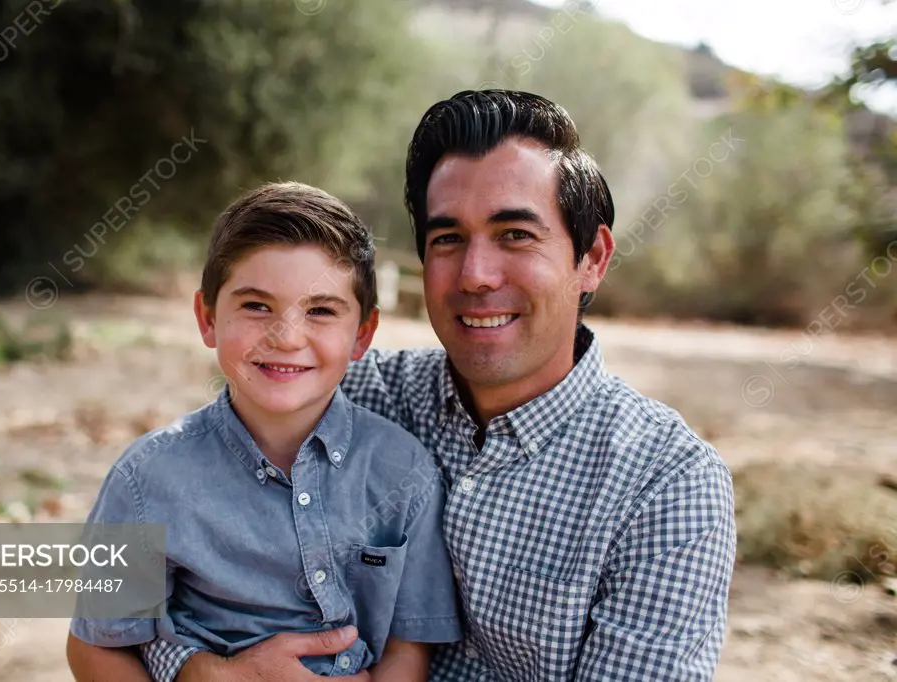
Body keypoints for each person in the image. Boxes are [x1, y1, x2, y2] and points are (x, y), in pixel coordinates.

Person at [147, 88, 738, 681]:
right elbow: (94, 599)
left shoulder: (667, 483)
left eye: (515, 235)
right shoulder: (344, 395)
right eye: (447, 239)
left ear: (593, 258)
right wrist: (200, 671)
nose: (476, 276)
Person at [65, 181, 462, 681]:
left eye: (320, 311)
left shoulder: (405, 471)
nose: (287, 337)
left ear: (363, 333)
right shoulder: (147, 480)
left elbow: (410, 644)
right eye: (256, 306)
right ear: (207, 318)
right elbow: (95, 648)